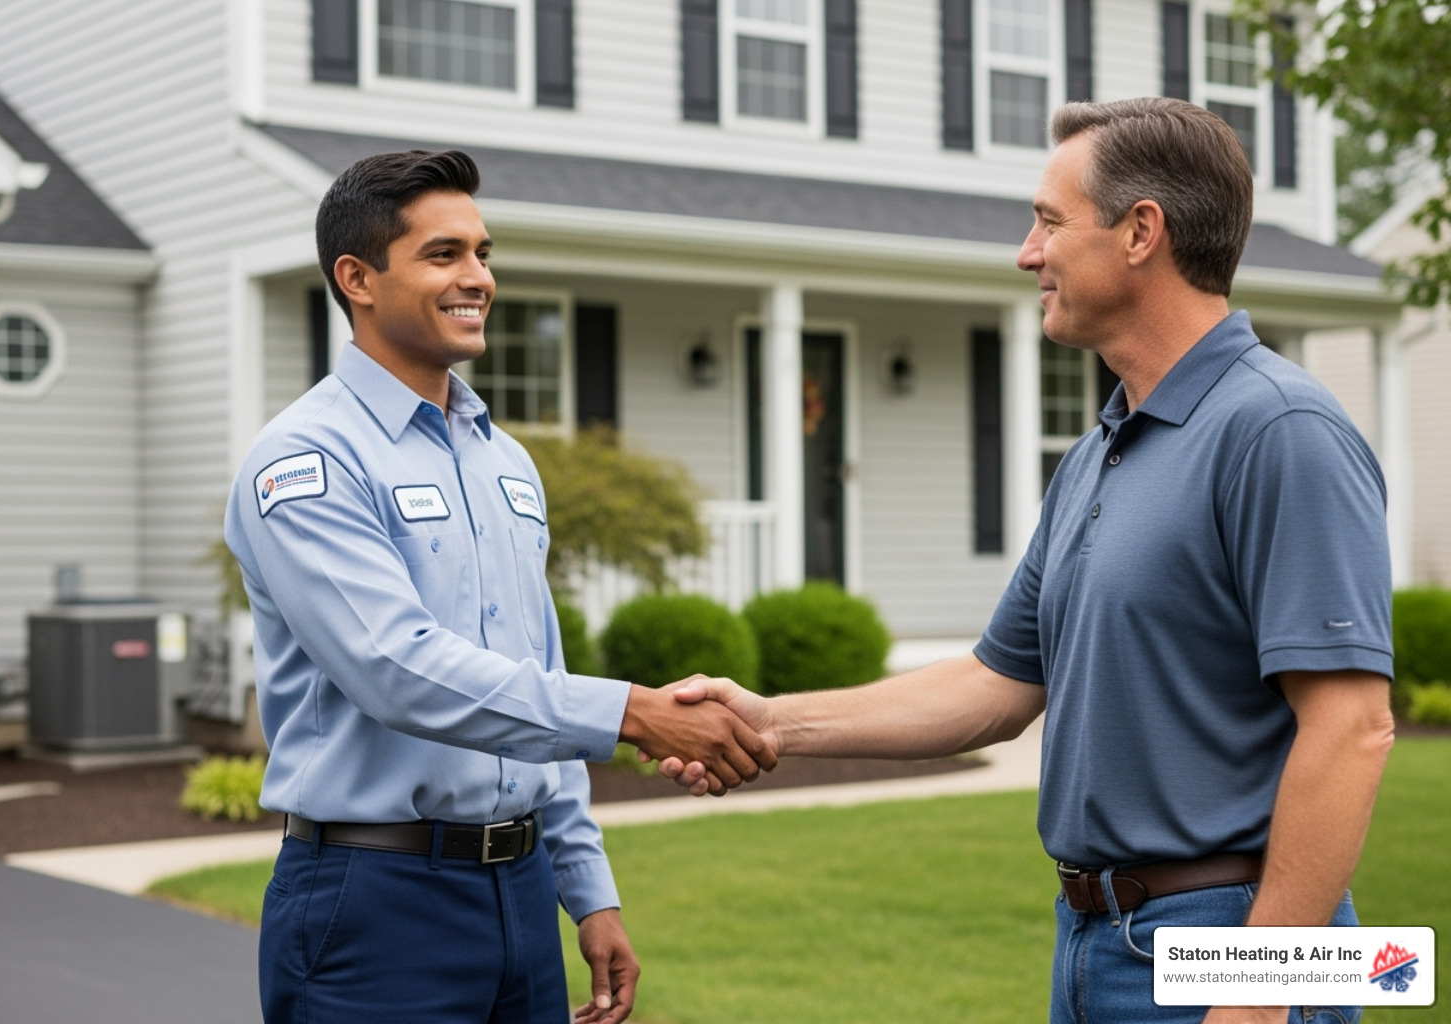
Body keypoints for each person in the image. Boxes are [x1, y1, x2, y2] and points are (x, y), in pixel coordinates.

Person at [655, 98, 1396, 1024]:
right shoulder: (1103, 450)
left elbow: (1353, 728)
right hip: (1094, 943)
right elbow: (997, 684)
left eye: (1048, 221)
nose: (1026, 252)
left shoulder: (1280, 431)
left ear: (1141, 232)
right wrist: (772, 722)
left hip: (1231, 939)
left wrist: (1251, 1002)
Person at [224, 149, 773, 1024]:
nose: (477, 277)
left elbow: (531, 668)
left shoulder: (504, 461)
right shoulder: (307, 461)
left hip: (518, 895)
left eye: (483, 253)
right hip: (372, 903)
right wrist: (636, 711)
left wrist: (587, 891)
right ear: (357, 278)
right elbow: (396, 668)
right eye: (444, 255)